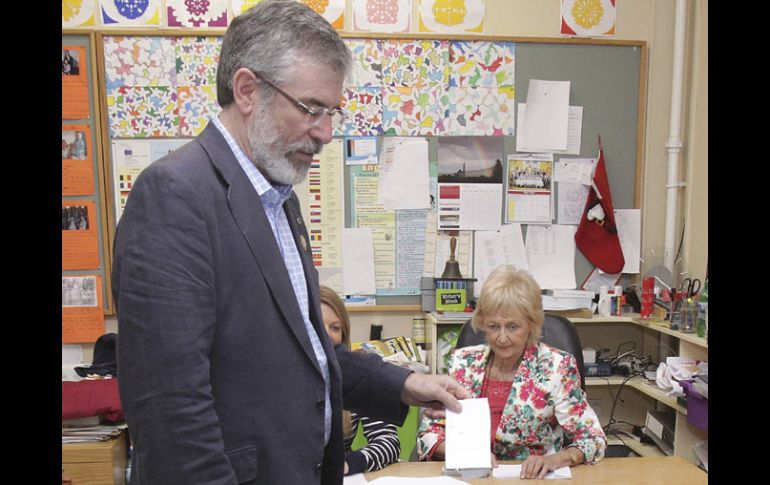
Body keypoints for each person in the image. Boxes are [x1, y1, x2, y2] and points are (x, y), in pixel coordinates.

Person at [112, 2, 469, 484]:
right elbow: (171, 411)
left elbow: (305, 351)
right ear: (246, 90)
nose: (325, 132)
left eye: (332, 112)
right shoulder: (176, 195)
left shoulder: (279, 199)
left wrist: (404, 382)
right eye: (311, 109)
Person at [416, 265, 606, 479]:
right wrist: (468, 455)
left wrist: (555, 459)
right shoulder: (463, 363)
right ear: (482, 323)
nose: (502, 338)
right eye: (493, 326)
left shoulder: (556, 367)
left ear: (531, 325)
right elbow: (428, 435)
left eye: (513, 327)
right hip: (471, 477)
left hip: (531, 479)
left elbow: (593, 439)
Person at [319, 286, 401, 476]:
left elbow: (388, 441)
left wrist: (347, 464)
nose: (327, 335)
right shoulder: (284, 381)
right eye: (317, 325)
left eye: (335, 328)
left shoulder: (353, 375)